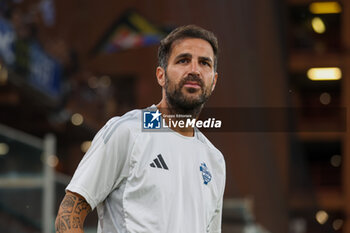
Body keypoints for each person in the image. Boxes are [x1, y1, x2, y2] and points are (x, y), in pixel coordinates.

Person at [55, 25, 226, 233]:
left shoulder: (214, 160)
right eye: (183, 60)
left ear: (214, 81)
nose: (194, 70)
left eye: (204, 63)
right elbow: (68, 215)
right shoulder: (129, 131)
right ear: (161, 75)